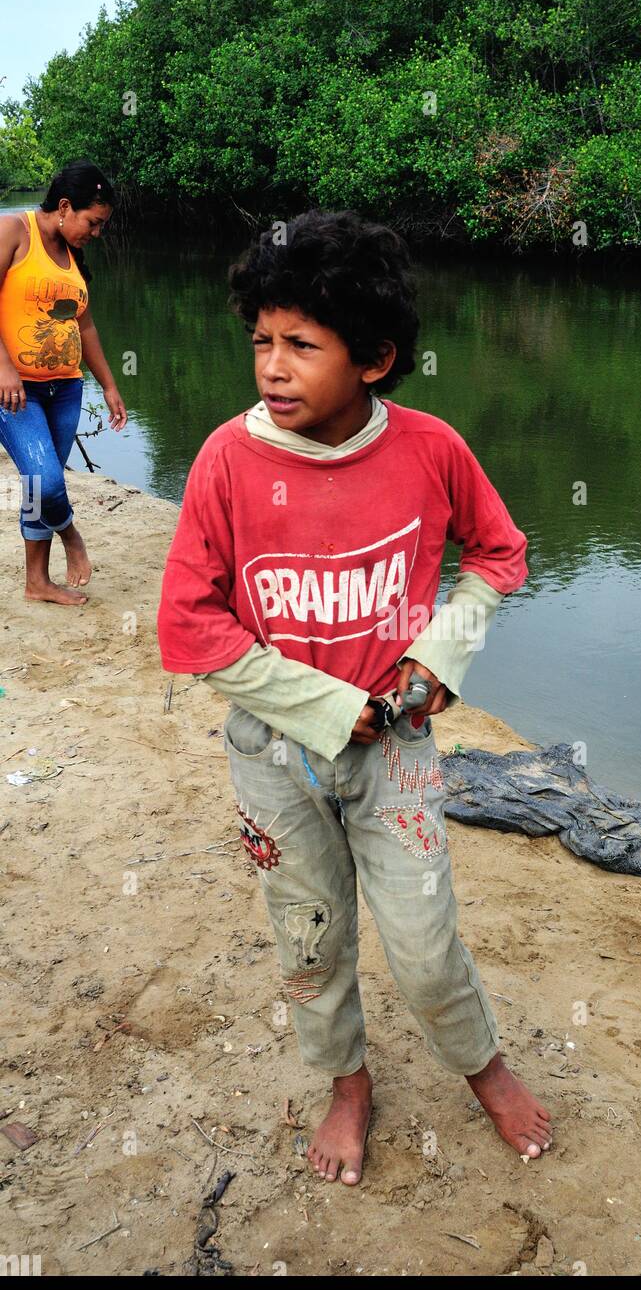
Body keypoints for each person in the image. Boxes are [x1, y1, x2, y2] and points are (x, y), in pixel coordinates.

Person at [157, 209, 552, 1186]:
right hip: (271, 752)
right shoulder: (224, 462)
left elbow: (499, 553)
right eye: (261, 340)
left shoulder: (429, 451)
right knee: (308, 935)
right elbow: (189, 624)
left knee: (422, 944)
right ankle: (345, 1081)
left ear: (373, 358)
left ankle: (483, 1066)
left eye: (302, 344)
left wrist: (437, 659)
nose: (272, 367)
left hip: (397, 752)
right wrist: (331, 707)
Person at [0, 159, 128, 606]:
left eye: (102, 226)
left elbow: (85, 326)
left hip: (66, 389)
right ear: (66, 206)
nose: (96, 233)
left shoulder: (73, 258)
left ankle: (37, 582)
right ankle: (73, 537)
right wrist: (3, 368)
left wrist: (109, 386)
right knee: (47, 482)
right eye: (93, 223)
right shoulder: (15, 231)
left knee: (39, 488)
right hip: (16, 391)